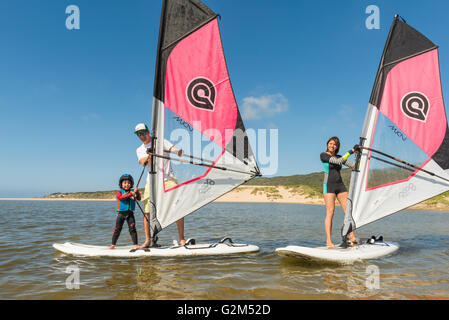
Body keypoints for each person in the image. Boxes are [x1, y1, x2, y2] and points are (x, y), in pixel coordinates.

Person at [134, 123, 186, 248]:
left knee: (177, 207)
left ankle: (182, 238)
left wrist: (178, 151)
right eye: (139, 134)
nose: (142, 136)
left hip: (168, 179)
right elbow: (143, 163)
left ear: (148, 131)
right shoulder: (139, 149)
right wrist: (150, 156)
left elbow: (173, 148)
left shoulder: (160, 141)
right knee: (147, 212)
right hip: (151, 181)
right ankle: (147, 240)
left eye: (143, 132)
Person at [320, 136, 358, 248]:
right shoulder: (324, 155)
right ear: (327, 144)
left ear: (337, 147)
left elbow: (353, 166)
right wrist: (351, 151)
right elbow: (337, 162)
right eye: (330, 143)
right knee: (330, 212)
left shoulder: (340, 156)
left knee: (348, 212)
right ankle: (329, 241)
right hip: (329, 186)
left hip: (340, 186)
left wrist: (358, 156)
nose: (332, 146)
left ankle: (352, 237)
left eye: (334, 144)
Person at [109, 174, 141, 250]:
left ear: (131, 184)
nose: (127, 185)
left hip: (130, 214)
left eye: (129, 183)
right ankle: (113, 245)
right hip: (121, 214)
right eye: (125, 183)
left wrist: (137, 192)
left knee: (132, 229)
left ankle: (135, 245)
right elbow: (120, 198)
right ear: (121, 184)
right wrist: (131, 194)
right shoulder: (119, 192)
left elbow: (139, 198)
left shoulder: (132, 191)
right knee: (117, 229)